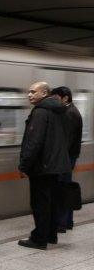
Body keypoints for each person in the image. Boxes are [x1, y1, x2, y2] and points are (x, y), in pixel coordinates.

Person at [18, 82, 71, 250]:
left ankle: (39, 239)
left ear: (44, 93)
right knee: (51, 202)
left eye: (33, 92)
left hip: (42, 166)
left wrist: (24, 166)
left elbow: (34, 142)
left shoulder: (40, 112)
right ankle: (51, 235)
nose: (29, 95)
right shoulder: (59, 111)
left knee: (40, 203)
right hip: (55, 165)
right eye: (28, 92)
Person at [50, 86, 83, 232]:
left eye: (56, 99)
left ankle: (61, 223)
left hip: (65, 158)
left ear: (65, 98)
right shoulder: (71, 111)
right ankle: (67, 221)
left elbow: (66, 140)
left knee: (62, 189)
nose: (54, 102)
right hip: (68, 157)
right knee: (65, 188)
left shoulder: (69, 113)